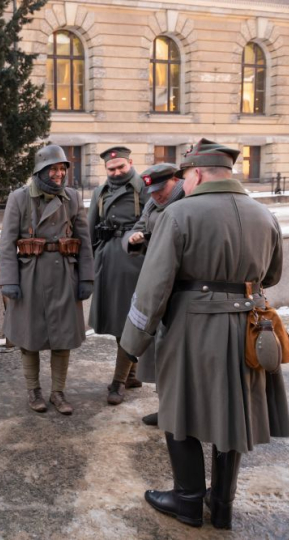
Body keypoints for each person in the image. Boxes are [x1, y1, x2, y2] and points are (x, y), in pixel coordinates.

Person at [121, 139, 289, 529]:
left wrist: (133, 341)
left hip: (192, 328)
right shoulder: (265, 215)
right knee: (234, 414)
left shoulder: (179, 215)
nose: (183, 184)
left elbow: (153, 286)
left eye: (185, 177)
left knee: (180, 411)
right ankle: (223, 504)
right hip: (249, 328)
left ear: (196, 173)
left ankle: (188, 501)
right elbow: (273, 276)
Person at [0, 145, 93, 415]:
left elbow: (84, 241)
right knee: (29, 338)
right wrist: (10, 281)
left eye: (62, 168)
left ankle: (58, 392)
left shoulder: (72, 198)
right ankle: (34, 390)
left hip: (64, 273)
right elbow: (7, 244)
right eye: (53, 168)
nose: (59, 173)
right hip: (30, 275)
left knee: (63, 338)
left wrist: (86, 277)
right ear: (40, 170)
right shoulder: (19, 198)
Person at [121, 162, 185, 426]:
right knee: (160, 350)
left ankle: (182, 411)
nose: (157, 195)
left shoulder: (187, 202)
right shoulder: (153, 204)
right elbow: (138, 227)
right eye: (153, 192)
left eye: (162, 189)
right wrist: (134, 238)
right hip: (158, 283)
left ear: (176, 180)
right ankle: (166, 409)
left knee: (179, 355)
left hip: (182, 287)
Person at [87, 146, 149, 405]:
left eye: (121, 167)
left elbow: (153, 220)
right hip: (106, 259)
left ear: (131, 163)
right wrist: (88, 263)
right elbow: (90, 226)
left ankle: (118, 382)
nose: (116, 172)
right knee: (116, 320)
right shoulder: (100, 191)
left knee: (128, 321)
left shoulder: (143, 189)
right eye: (111, 169)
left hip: (132, 259)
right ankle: (132, 374)